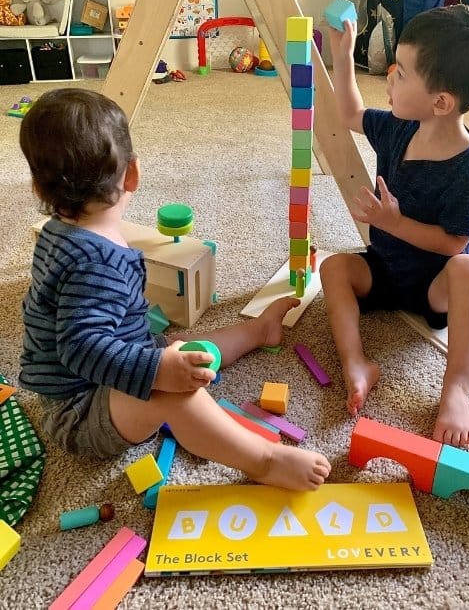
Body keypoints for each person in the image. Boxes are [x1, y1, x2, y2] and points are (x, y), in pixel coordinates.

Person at [19, 88, 331, 490]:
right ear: (132, 173)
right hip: (78, 411)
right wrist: (154, 371)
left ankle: (259, 331)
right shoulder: (94, 263)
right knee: (171, 393)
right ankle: (264, 460)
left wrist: (157, 358)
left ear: (39, 190)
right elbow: (80, 347)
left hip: (112, 365)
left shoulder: (61, 232)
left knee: (188, 350)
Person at [321, 5, 469, 447]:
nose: (389, 76)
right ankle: (356, 362)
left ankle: (456, 386)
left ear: (441, 102)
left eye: (400, 73)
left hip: (435, 284)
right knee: (333, 268)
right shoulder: (400, 128)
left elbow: (454, 242)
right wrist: (343, 57)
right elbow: (350, 114)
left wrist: (393, 222)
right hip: (385, 267)